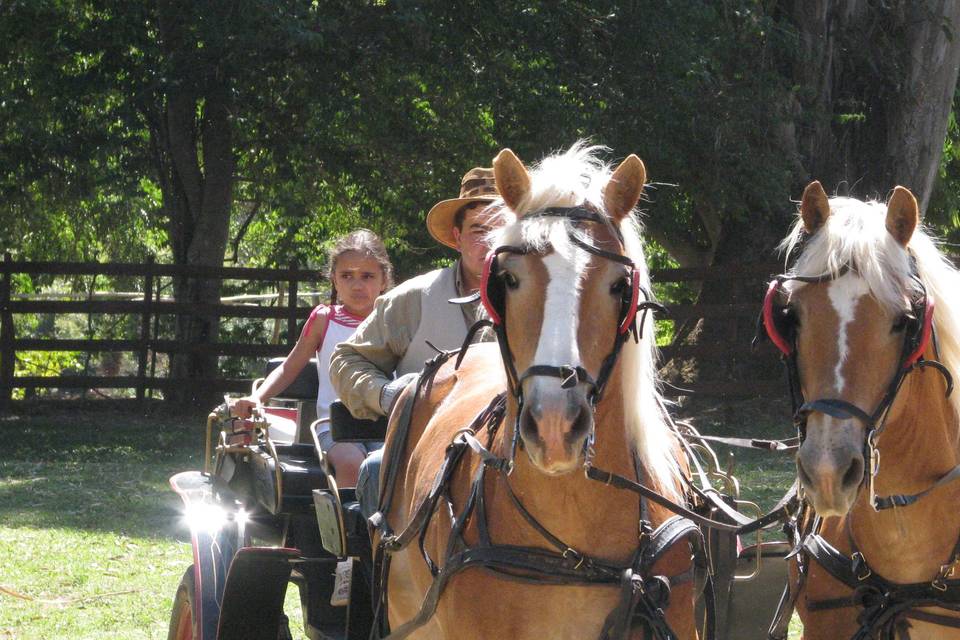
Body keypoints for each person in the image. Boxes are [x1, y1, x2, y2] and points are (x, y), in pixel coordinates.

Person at [329, 167, 501, 518]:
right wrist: (386, 395)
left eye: (503, 227)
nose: (491, 240)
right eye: (479, 229)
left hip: (510, 457)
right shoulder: (414, 299)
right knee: (375, 471)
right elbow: (346, 361)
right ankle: (374, 571)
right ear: (456, 236)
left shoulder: (543, 305)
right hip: (421, 453)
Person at [232, 229, 394, 486]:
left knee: (392, 462)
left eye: (367, 276)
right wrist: (257, 396)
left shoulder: (394, 321)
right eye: (347, 276)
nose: (357, 285)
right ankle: (350, 526)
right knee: (352, 462)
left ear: (384, 280)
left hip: (385, 426)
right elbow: (289, 367)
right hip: (335, 426)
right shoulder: (324, 320)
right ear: (334, 279)